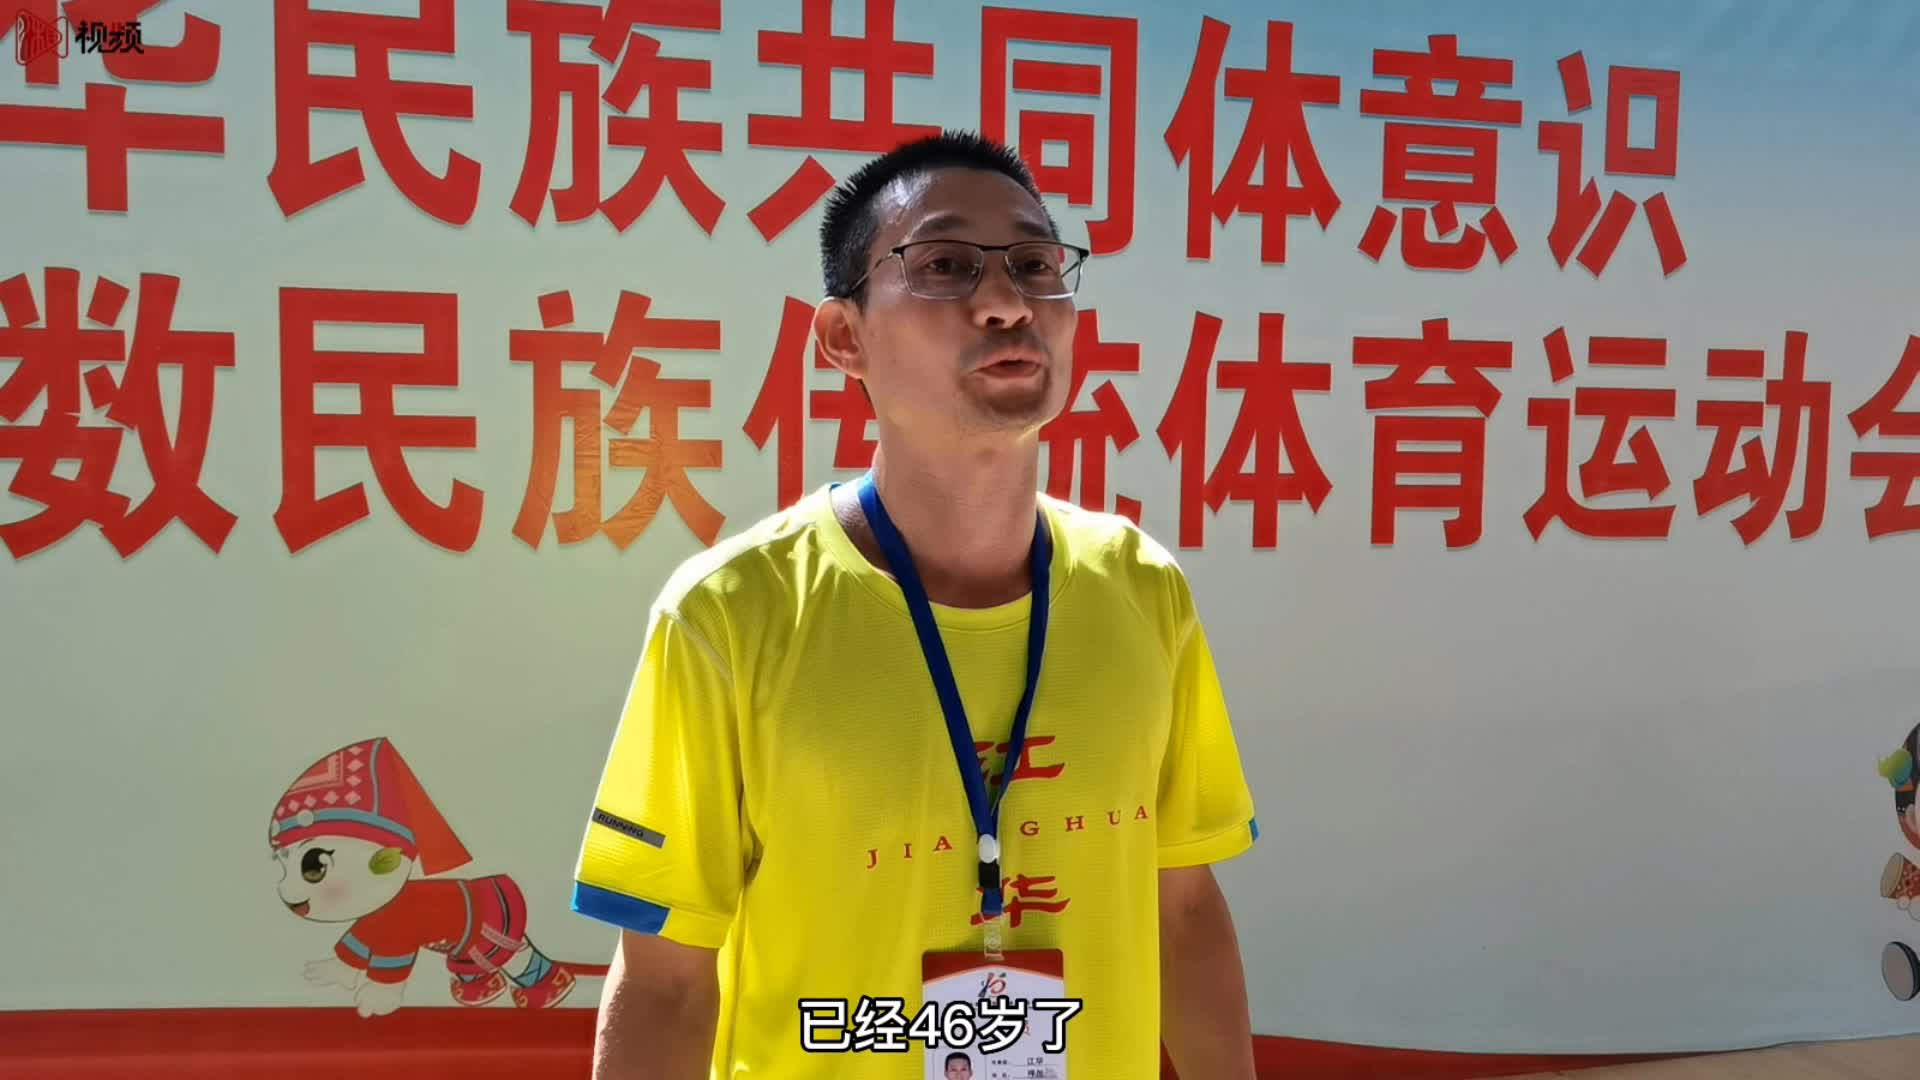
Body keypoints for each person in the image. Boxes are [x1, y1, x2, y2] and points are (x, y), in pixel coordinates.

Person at [571, 129, 1260, 1080]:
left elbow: (1181, 908)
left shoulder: (1142, 587)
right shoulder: (732, 613)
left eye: (1035, 265)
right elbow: (666, 985)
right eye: (944, 266)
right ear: (843, 338)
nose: (1007, 302)